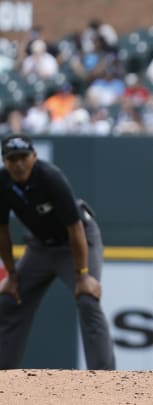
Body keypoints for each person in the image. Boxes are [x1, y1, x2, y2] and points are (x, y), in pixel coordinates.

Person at [0, 135, 115, 370]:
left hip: (77, 241)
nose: (19, 164)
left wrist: (83, 275)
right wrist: (11, 275)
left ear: (34, 157)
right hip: (40, 247)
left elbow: (75, 227)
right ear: (4, 161)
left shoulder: (49, 176)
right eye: (12, 159)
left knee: (87, 298)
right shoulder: (2, 182)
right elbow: (2, 231)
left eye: (23, 157)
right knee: (9, 300)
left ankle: (106, 379)